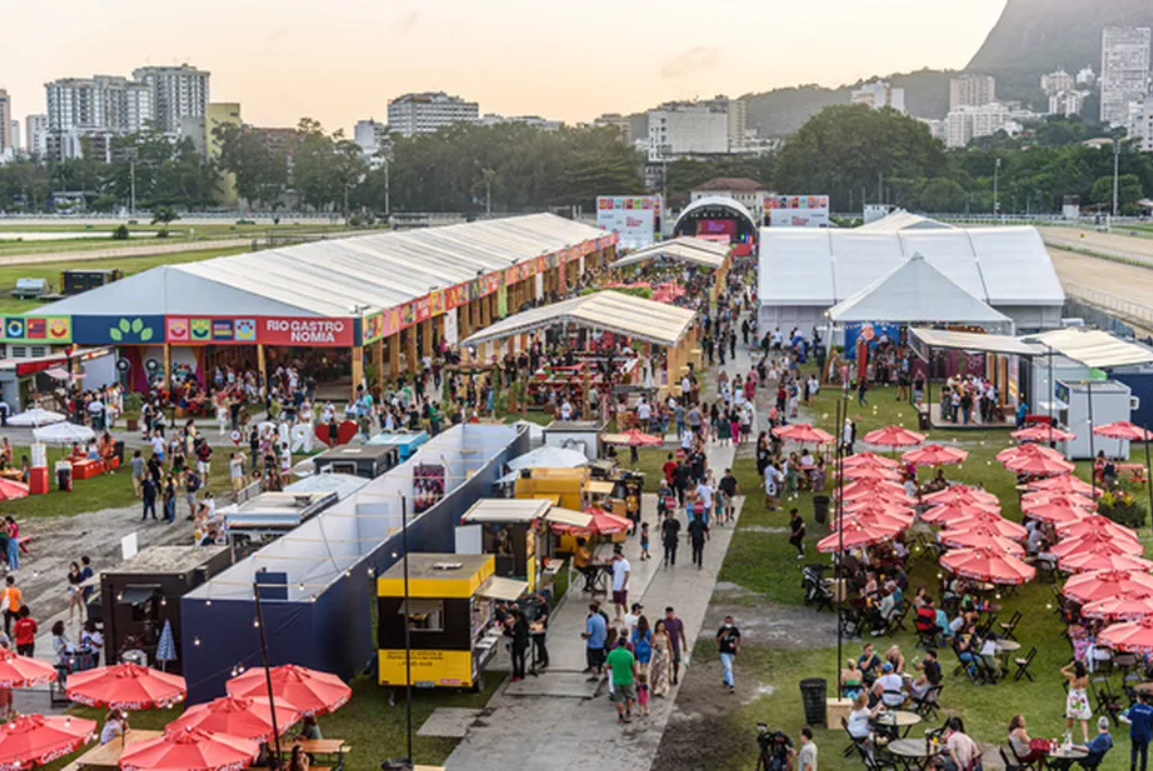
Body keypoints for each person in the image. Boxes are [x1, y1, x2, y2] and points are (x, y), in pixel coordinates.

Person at [606, 637, 637, 724]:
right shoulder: (629, 655)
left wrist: (614, 666)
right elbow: (634, 668)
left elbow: (607, 666)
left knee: (619, 699)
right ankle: (628, 713)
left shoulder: (612, 653)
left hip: (617, 680)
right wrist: (636, 678)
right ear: (625, 644)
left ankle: (620, 716)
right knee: (629, 697)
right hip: (628, 679)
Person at [1121, 690, 1153, 771]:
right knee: (1144, 751)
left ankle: (1133, 763)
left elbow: (1128, 717)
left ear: (1140, 698)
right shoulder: (1151, 710)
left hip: (1135, 733)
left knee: (1134, 749)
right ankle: (1143, 768)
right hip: (1146, 734)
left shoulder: (1135, 707)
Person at [1064, 660, 1093, 743]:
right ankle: (1086, 738)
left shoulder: (1073, 676)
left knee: (1070, 717)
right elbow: (1084, 685)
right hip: (1082, 697)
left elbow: (1062, 671)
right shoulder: (1086, 677)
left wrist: (1069, 665)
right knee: (1083, 719)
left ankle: (1069, 735)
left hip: (1073, 698)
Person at [582, 602, 607, 679]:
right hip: (601, 643)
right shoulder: (602, 618)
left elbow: (590, 632)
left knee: (593, 663)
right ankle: (607, 674)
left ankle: (595, 676)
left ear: (591, 610)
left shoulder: (591, 620)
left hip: (593, 645)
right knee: (602, 660)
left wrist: (585, 636)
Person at [717, 615, 741, 693]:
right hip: (723, 652)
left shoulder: (735, 630)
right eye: (726, 622)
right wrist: (723, 635)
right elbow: (717, 640)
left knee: (727, 667)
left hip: (732, 651)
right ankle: (731, 685)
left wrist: (738, 647)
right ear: (724, 622)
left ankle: (725, 679)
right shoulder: (721, 629)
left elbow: (738, 637)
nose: (728, 623)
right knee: (729, 667)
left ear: (732, 622)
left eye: (729, 622)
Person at [505, 608, 528, 682]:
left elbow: (513, 634)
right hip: (523, 643)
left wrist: (506, 631)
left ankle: (516, 675)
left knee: (514, 659)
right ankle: (522, 673)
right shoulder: (524, 623)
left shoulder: (518, 624)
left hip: (517, 644)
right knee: (521, 658)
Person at [650, 619, 672, 698]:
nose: (661, 627)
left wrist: (671, 652)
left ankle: (662, 689)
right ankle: (655, 686)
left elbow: (669, 643)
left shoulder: (666, 633)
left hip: (665, 654)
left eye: (662, 626)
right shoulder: (654, 634)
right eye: (660, 626)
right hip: (657, 654)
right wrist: (654, 646)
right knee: (656, 671)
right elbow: (650, 644)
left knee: (664, 672)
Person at [665, 607, 685, 686]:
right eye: (667, 614)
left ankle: (675, 675)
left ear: (673, 613)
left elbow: (682, 632)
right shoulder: (664, 622)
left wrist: (684, 643)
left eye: (670, 613)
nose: (669, 615)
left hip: (675, 645)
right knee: (667, 663)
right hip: (666, 646)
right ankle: (668, 677)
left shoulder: (678, 621)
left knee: (676, 662)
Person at [611, 550, 630, 619]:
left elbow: (627, 575)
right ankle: (618, 616)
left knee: (623, 603)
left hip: (622, 586)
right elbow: (614, 572)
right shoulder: (615, 562)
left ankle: (628, 616)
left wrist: (623, 586)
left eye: (615, 554)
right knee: (616, 602)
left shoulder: (625, 563)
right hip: (616, 586)